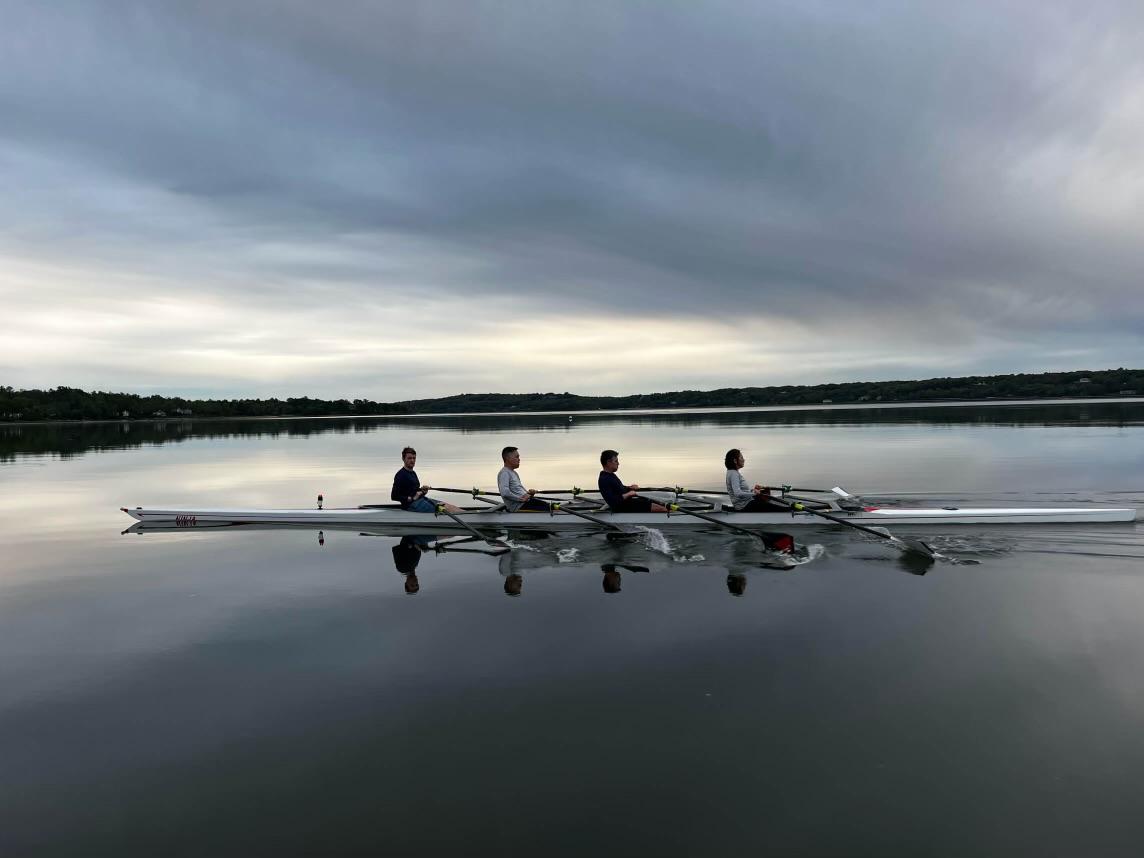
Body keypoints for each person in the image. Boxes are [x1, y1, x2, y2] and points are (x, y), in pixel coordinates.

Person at [390, 447, 461, 513]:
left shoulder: (413, 473)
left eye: (414, 458)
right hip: (411, 506)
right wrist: (412, 498)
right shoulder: (400, 475)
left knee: (448, 506)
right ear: (403, 459)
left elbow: (413, 490)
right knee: (446, 508)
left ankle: (467, 514)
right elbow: (394, 496)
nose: (412, 460)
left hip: (421, 500)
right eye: (409, 458)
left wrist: (423, 491)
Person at [597, 450, 671, 513]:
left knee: (661, 504)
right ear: (608, 462)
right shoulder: (604, 479)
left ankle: (670, 510)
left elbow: (619, 489)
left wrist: (630, 488)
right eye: (616, 461)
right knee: (662, 508)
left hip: (627, 503)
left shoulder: (610, 475)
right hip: (621, 507)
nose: (618, 463)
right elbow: (613, 501)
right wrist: (628, 494)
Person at [497, 447, 550, 512]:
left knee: (552, 506)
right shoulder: (504, 473)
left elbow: (519, 492)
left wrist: (530, 494)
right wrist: (521, 499)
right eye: (516, 457)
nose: (519, 459)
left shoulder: (514, 473)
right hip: (519, 506)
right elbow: (505, 493)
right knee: (551, 508)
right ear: (508, 458)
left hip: (525, 503)